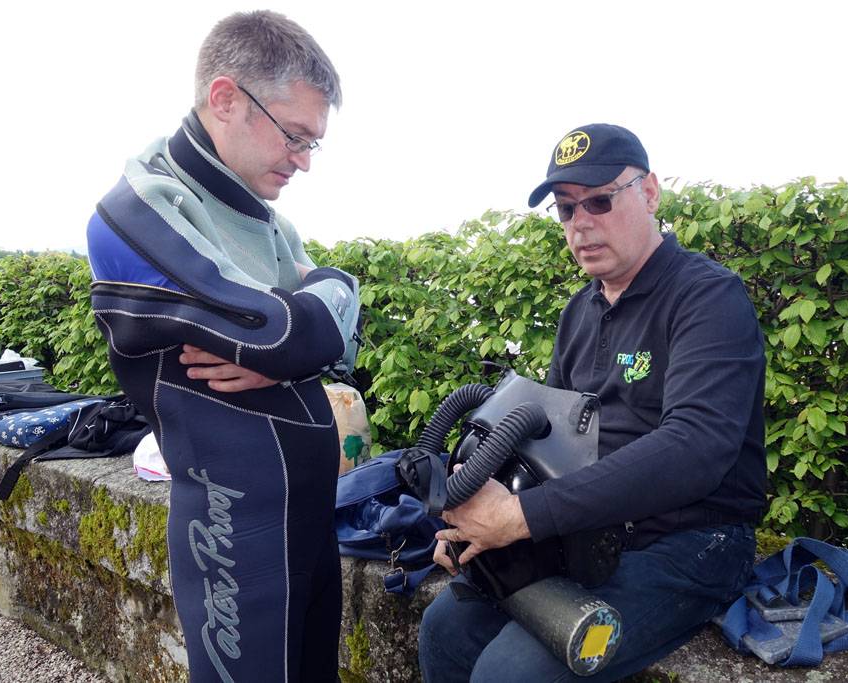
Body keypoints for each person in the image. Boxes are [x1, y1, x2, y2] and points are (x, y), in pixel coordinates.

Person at [417, 124, 767, 681]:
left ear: (650, 192)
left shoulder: (708, 296)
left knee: (512, 673)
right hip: (590, 534)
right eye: (565, 210)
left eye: (600, 201)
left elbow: (697, 446)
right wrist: (477, 522)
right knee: (444, 629)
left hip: (692, 542)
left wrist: (520, 517)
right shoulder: (578, 314)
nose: (581, 224)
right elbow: (549, 443)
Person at [85, 11, 358, 682]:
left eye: (312, 144)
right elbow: (282, 332)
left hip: (309, 515)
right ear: (226, 98)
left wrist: (319, 311)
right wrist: (312, 317)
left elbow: (334, 324)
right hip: (239, 532)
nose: (303, 161)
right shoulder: (136, 207)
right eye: (295, 136)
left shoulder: (263, 219)